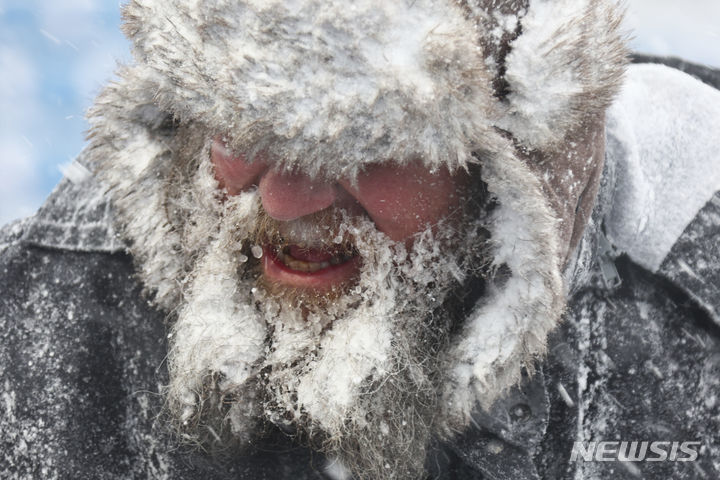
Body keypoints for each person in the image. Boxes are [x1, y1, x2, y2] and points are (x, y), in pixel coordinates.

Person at [1, 0, 719, 478]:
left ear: (514, 163)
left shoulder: (690, 327)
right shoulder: (37, 323)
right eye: (243, 131)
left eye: (365, 148)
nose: (284, 198)